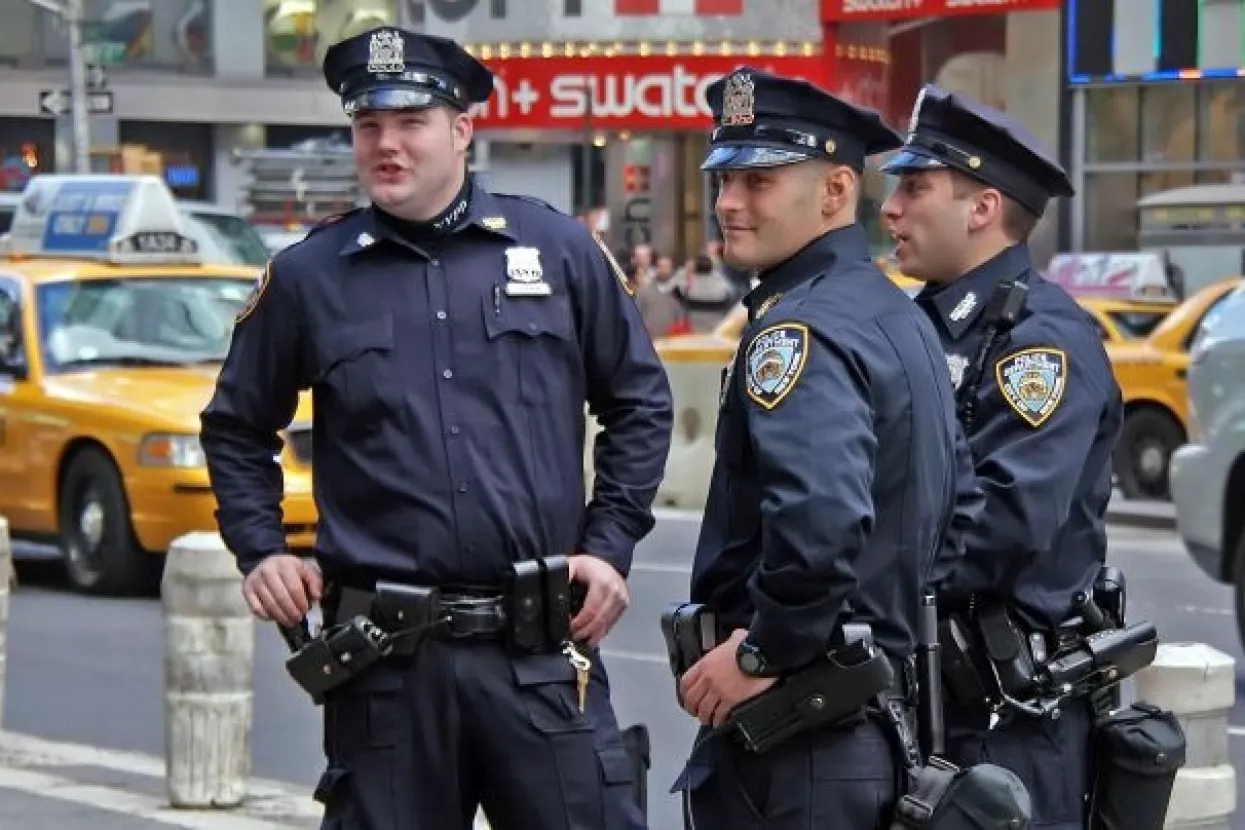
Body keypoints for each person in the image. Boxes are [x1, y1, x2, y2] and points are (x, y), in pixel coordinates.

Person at [199, 26, 672, 830]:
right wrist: (261, 547)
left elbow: (638, 401)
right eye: (368, 126)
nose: (386, 144)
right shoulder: (309, 277)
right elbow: (236, 428)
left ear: (461, 129)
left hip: (540, 655)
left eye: (410, 122)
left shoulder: (556, 250)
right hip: (389, 666)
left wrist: (610, 541)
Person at [671, 67, 966, 830]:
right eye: (724, 178)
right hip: (868, 724)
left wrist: (760, 653)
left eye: (760, 180)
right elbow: (943, 509)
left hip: (799, 736)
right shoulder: (895, 315)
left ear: (835, 191)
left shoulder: (797, 329)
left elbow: (820, 521)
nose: (729, 202)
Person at [880, 84, 1124, 830]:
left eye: (914, 187)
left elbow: (1002, 521)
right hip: (924, 697)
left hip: (1009, 721)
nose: (889, 208)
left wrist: (849, 570)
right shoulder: (919, 325)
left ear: (981, 208)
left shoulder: (1038, 343)